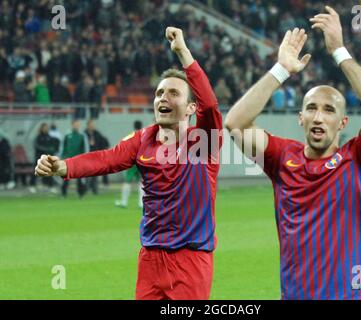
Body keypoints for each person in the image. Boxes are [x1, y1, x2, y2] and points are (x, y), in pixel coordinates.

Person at [34, 27, 223, 300]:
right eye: (159, 93)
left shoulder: (203, 142)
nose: (163, 99)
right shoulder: (142, 139)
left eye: (173, 93)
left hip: (191, 260)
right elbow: (106, 159)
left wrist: (183, 52)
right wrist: (63, 166)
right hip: (150, 259)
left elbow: (211, 105)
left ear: (192, 108)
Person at [225, 6, 361, 300]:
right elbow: (234, 122)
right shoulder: (281, 157)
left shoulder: (359, 158)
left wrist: (339, 51)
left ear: (343, 123)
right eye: (311, 109)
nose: (318, 117)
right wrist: (281, 70)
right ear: (300, 118)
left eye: (328, 110)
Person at [115, 120, 144, 209]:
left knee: (127, 181)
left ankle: (124, 202)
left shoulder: (130, 136)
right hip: (141, 161)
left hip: (132, 163)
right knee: (142, 182)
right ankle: (141, 203)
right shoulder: (144, 136)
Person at [60, 119, 88, 198]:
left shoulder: (82, 135)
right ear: (72, 125)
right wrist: (62, 156)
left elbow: (85, 148)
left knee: (80, 177)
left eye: (78, 124)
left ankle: (81, 193)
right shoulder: (67, 135)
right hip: (68, 160)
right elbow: (63, 147)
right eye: (75, 124)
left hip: (79, 160)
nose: (77, 126)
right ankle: (63, 193)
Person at [29, 123, 57, 194]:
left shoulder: (49, 137)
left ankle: (50, 186)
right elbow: (36, 146)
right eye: (44, 127)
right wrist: (45, 149)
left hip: (47, 158)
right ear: (41, 128)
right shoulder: (38, 137)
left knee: (49, 172)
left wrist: (52, 149)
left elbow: (53, 145)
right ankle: (32, 185)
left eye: (47, 127)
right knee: (36, 172)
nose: (46, 129)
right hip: (39, 157)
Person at [84, 119, 106, 195]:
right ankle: (86, 188)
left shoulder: (97, 133)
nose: (92, 126)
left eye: (93, 125)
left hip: (96, 156)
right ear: (88, 125)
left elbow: (103, 142)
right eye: (91, 125)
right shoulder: (84, 134)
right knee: (86, 174)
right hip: (86, 156)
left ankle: (94, 189)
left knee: (95, 174)